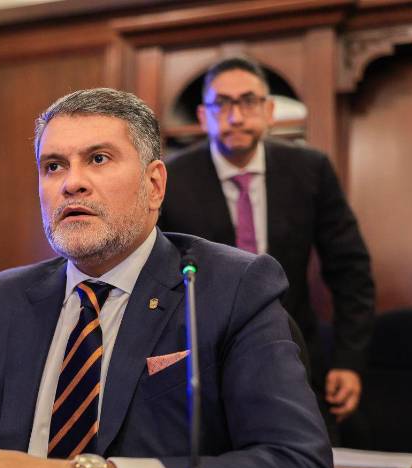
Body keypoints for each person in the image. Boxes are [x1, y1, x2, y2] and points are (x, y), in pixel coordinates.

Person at [0, 88, 336, 468]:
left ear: (154, 185)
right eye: (53, 166)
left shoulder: (231, 288)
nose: (71, 182)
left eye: (98, 159)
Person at [158, 56, 375, 435]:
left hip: (295, 350)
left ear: (269, 111)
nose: (236, 117)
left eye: (248, 102)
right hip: (203, 361)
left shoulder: (310, 169)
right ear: (203, 116)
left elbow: (350, 269)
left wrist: (349, 360)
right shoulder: (169, 179)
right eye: (222, 104)